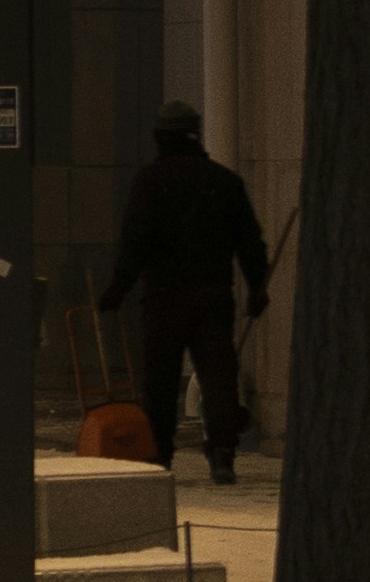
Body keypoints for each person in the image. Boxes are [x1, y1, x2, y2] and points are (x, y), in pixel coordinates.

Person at [106, 102, 277, 484]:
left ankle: (161, 454)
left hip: (163, 298)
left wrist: (118, 289)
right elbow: (250, 243)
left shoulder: (150, 182)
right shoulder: (223, 182)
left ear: (161, 137)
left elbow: (135, 242)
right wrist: (257, 287)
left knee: (161, 381)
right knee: (218, 378)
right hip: (212, 296)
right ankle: (221, 454)